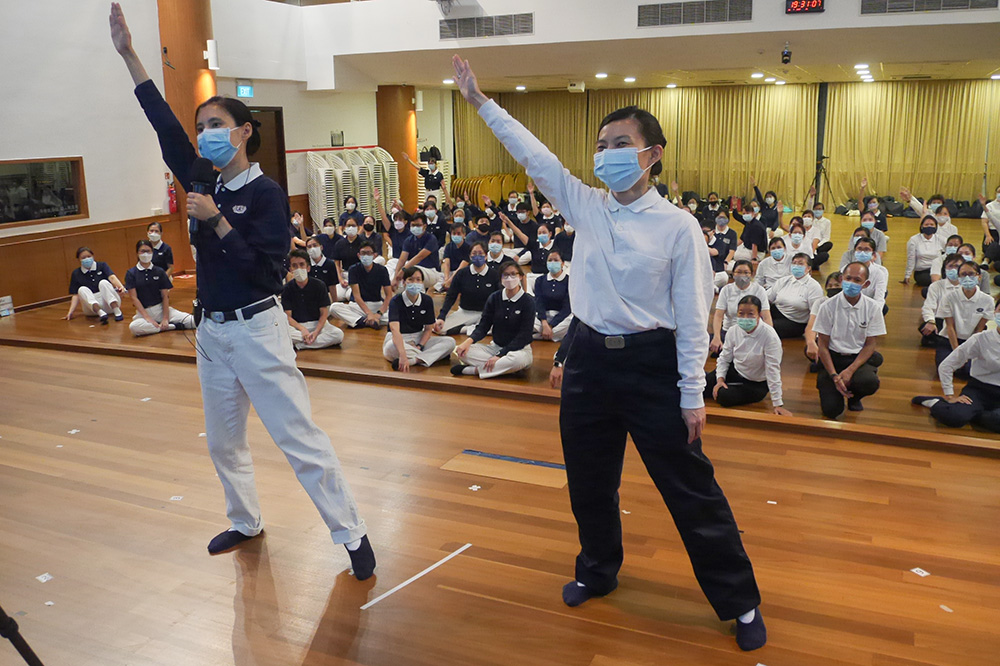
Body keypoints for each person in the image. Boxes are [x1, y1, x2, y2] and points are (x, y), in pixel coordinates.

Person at [452, 55, 765, 651]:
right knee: (590, 482)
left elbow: (692, 317)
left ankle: (739, 600)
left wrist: (692, 393)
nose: (607, 155)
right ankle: (597, 570)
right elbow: (535, 157)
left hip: (653, 367)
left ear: (652, 154)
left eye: (620, 144)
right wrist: (480, 103)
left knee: (690, 488)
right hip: (589, 361)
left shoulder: (678, 227)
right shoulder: (586, 205)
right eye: (601, 146)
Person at [111, 3, 375, 576]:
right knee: (223, 442)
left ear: (244, 131)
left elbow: (265, 272)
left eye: (216, 125)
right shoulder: (200, 178)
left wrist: (217, 223)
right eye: (201, 127)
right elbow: (162, 124)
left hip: (258, 328)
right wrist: (130, 55)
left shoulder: (266, 195)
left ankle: (351, 533)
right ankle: (245, 519)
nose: (205, 135)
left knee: (297, 438)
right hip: (212, 333)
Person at [912, 297, 1000, 434]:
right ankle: (936, 403)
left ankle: (976, 414)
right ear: (995, 312)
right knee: (954, 417)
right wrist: (950, 395)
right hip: (979, 390)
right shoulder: (981, 339)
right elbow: (946, 365)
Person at [812, 261, 886, 418]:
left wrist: (850, 371)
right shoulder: (827, 306)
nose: (851, 283)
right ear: (841, 279)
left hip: (856, 359)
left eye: (857, 280)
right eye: (848, 278)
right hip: (832, 358)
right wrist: (834, 375)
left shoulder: (873, 308)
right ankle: (834, 387)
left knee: (869, 382)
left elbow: (870, 344)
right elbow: (822, 345)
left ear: (866, 284)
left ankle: (855, 397)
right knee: (831, 411)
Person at [705, 295, 790, 415]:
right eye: (741, 313)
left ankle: (726, 386)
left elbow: (773, 370)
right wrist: (720, 380)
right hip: (736, 370)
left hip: (755, 383)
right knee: (702, 386)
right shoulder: (733, 330)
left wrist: (777, 403)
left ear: (759, 314)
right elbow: (724, 358)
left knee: (724, 396)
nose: (745, 318)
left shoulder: (770, 336)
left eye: (750, 314)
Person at [452, 261, 535, 378]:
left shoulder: (528, 301)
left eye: (513, 274)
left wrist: (500, 355)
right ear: (500, 278)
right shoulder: (494, 298)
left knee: (518, 360)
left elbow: (524, 336)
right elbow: (483, 326)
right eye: (505, 275)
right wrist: (468, 341)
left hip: (519, 350)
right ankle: (503, 368)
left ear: (520, 276)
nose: (509, 278)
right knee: (464, 352)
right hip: (495, 347)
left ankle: (473, 370)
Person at [383, 267, 456, 370]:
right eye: (410, 279)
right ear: (404, 282)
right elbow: (395, 330)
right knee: (390, 347)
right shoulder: (395, 301)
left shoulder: (427, 300)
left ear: (422, 283)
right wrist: (402, 354)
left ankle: (414, 360)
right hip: (398, 338)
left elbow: (428, 329)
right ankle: (430, 357)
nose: (415, 283)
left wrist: (419, 346)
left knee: (450, 342)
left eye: (418, 280)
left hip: (418, 337)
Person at [935, 261, 992, 376]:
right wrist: (958, 353)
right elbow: (950, 326)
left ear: (979, 276)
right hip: (949, 340)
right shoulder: (949, 297)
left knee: (969, 371)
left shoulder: (987, 300)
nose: (967, 278)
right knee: (944, 368)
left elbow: (979, 329)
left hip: (972, 341)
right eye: (963, 274)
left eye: (971, 274)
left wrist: (967, 352)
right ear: (959, 277)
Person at [126, 239, 194, 336]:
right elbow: (134, 298)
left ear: (152, 252)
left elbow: (165, 296)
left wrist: (165, 318)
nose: (145, 254)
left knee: (192, 321)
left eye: (148, 251)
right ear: (137, 253)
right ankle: (172, 326)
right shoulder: (131, 273)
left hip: (161, 309)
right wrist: (147, 318)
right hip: (143, 313)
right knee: (134, 327)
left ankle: (160, 325)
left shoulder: (159, 271)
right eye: (142, 251)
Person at [282, 250, 345, 350]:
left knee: (338, 335)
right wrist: (302, 329)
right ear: (290, 269)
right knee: (281, 335)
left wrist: (316, 332)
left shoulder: (319, 285)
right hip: (297, 326)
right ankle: (311, 341)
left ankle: (300, 345)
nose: (298, 269)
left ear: (308, 268)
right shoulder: (287, 288)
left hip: (317, 324)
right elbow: (288, 316)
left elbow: (324, 314)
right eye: (294, 266)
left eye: (302, 265)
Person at [434, 241, 499, 336]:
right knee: (439, 329)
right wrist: (442, 316)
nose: (477, 256)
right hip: (465, 312)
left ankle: (472, 328)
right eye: (474, 253)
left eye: (480, 253)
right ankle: (467, 329)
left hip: (486, 313)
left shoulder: (494, 274)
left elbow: (499, 297)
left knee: (500, 328)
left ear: (486, 256)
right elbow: (451, 296)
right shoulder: (462, 273)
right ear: (470, 256)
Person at [712, 260, 772, 353]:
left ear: (751, 275)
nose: (742, 275)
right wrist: (716, 337)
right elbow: (718, 316)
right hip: (729, 331)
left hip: (752, 332)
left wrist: (769, 337)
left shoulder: (759, 290)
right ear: (733, 273)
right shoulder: (726, 290)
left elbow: (766, 316)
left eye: (746, 272)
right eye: (739, 272)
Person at [329, 241, 393, 330]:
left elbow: (389, 295)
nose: (366, 256)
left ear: (374, 255)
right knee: (334, 307)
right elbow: (357, 296)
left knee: (399, 314)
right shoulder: (353, 269)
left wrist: (379, 314)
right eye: (363, 253)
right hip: (357, 306)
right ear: (358, 255)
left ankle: (363, 320)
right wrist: (369, 313)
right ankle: (367, 321)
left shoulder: (382, 270)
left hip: (376, 304)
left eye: (369, 253)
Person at [766, 252, 824, 339]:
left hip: (795, 321)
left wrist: (811, 333)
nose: (796, 266)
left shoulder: (814, 287)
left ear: (808, 268)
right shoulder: (784, 280)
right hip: (778, 311)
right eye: (794, 263)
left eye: (800, 263)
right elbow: (767, 298)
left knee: (766, 328)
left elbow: (815, 313)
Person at [63, 246, 125, 323]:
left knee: (103, 282)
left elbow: (112, 277)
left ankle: (117, 311)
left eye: (89, 256)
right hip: (92, 309)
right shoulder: (76, 273)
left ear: (93, 256)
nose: (87, 259)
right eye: (83, 258)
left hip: (108, 304)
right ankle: (101, 314)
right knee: (82, 289)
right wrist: (70, 312)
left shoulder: (102, 265)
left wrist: (121, 287)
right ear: (79, 260)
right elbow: (76, 295)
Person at [920, 254, 964, 348]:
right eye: (950, 266)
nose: (953, 269)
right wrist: (931, 321)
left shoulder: (967, 286)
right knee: (925, 328)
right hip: (941, 320)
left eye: (957, 266)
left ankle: (946, 341)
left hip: (961, 321)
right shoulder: (936, 286)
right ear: (945, 268)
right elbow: (928, 306)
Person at [394, 214, 444, 292]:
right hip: (414, 268)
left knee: (415, 272)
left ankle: (420, 296)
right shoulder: (408, 240)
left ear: (425, 226)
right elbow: (402, 259)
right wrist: (396, 277)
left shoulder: (431, 239)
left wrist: (403, 270)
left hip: (431, 271)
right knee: (393, 262)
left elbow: (419, 257)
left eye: (418, 225)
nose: (415, 227)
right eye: (413, 225)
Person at [532, 249, 573, 342]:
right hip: (543, 317)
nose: (552, 263)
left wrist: (551, 325)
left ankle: (541, 335)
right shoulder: (540, 280)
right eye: (550, 260)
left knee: (573, 320)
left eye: (556, 260)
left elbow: (567, 308)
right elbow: (539, 302)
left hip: (561, 318)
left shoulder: (569, 281)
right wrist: (544, 323)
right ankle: (552, 335)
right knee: (527, 316)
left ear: (562, 263)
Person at [804, 272, 842, 371]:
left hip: (843, 342)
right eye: (830, 286)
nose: (833, 288)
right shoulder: (820, 302)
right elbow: (811, 325)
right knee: (809, 350)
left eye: (837, 285)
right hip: (824, 340)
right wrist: (811, 342)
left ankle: (825, 364)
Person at [847, 237, 889, 314]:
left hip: (868, 307)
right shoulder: (845, 270)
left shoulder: (880, 273)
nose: (862, 252)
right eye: (859, 249)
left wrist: (873, 315)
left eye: (867, 250)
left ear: (873, 254)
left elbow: (879, 299)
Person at [903, 215, 944, 287]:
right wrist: (907, 275)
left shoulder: (941, 239)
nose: (929, 226)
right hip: (922, 271)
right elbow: (911, 258)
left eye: (932, 225)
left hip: (937, 270)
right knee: (929, 280)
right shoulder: (914, 240)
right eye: (926, 224)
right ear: (922, 226)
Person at [332, 217, 364, 301]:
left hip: (358, 276)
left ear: (358, 227)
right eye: (348, 225)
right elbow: (336, 263)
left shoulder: (363, 243)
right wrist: (340, 279)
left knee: (350, 296)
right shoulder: (340, 243)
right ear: (344, 228)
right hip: (345, 274)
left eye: (353, 225)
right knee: (337, 296)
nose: (351, 228)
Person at [304, 236, 339, 302]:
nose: (312, 248)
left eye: (315, 245)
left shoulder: (330, 264)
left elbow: (332, 286)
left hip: (325, 296)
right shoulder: (305, 264)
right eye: (309, 247)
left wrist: (335, 302)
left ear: (321, 247)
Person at [731, 199, 766, 264]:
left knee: (736, 256)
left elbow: (754, 245)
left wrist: (754, 259)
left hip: (757, 252)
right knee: (731, 251)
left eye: (748, 213)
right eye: (744, 213)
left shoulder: (756, 226)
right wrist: (731, 247)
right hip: (747, 247)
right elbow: (741, 239)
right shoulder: (748, 223)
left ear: (753, 213)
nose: (745, 215)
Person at [440, 222, 471, 290]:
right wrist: (446, 279)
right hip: (450, 273)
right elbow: (447, 264)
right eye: (454, 233)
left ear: (464, 234)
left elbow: (462, 267)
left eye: (459, 233)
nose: (456, 235)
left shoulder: (468, 248)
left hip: (462, 273)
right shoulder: (448, 246)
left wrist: (450, 281)